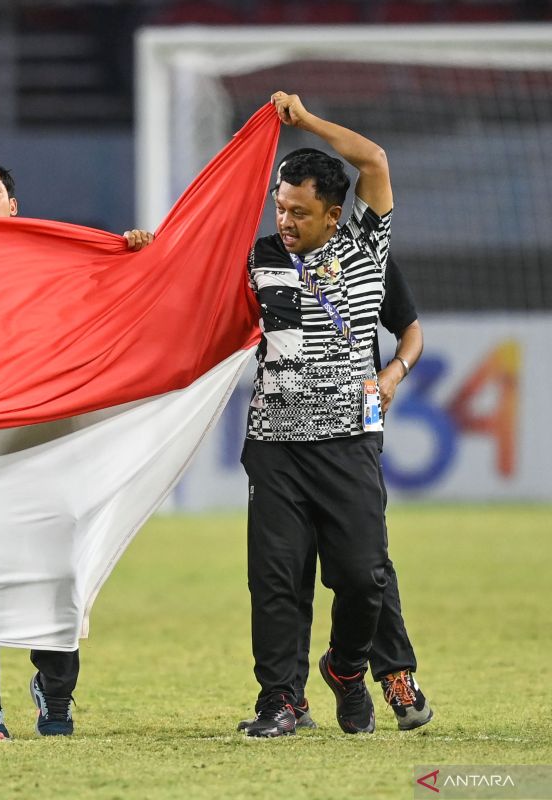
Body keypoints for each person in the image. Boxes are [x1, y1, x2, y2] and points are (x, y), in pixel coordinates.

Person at [0, 158, 152, 740]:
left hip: (50, 443)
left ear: (15, 208)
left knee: (56, 571)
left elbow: (115, 299)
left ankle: (55, 695)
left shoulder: (55, 265)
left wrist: (136, 257)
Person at [236, 150, 434, 734]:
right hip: (274, 443)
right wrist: (146, 248)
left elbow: (411, 328)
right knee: (275, 575)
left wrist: (393, 374)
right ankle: (281, 699)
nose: (285, 221)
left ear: (333, 214)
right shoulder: (258, 258)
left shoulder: (366, 251)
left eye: (299, 211)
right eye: (280, 207)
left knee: (365, 571)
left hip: (352, 434)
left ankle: (353, 668)